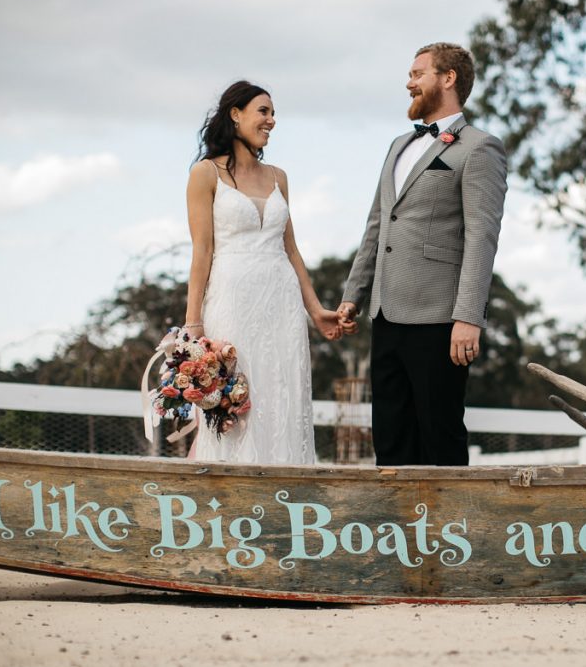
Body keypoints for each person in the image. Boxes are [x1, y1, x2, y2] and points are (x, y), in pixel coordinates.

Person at [338, 42, 508, 466]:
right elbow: (378, 226)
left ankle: (450, 531)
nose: (409, 82)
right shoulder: (397, 145)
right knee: (390, 440)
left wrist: (469, 317)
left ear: (447, 78)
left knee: (440, 438)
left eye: (418, 74)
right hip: (385, 314)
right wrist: (353, 295)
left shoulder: (480, 148)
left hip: (439, 320)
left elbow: (481, 237)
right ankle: (396, 531)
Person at [183, 80, 341, 464]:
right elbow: (202, 251)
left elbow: (291, 250)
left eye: (273, 114)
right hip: (232, 299)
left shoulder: (278, 177)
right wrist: (193, 326)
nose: (271, 120)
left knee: (280, 395)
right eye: (263, 111)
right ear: (235, 115)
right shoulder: (205, 174)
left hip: (282, 303)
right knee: (235, 401)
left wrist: (316, 309)